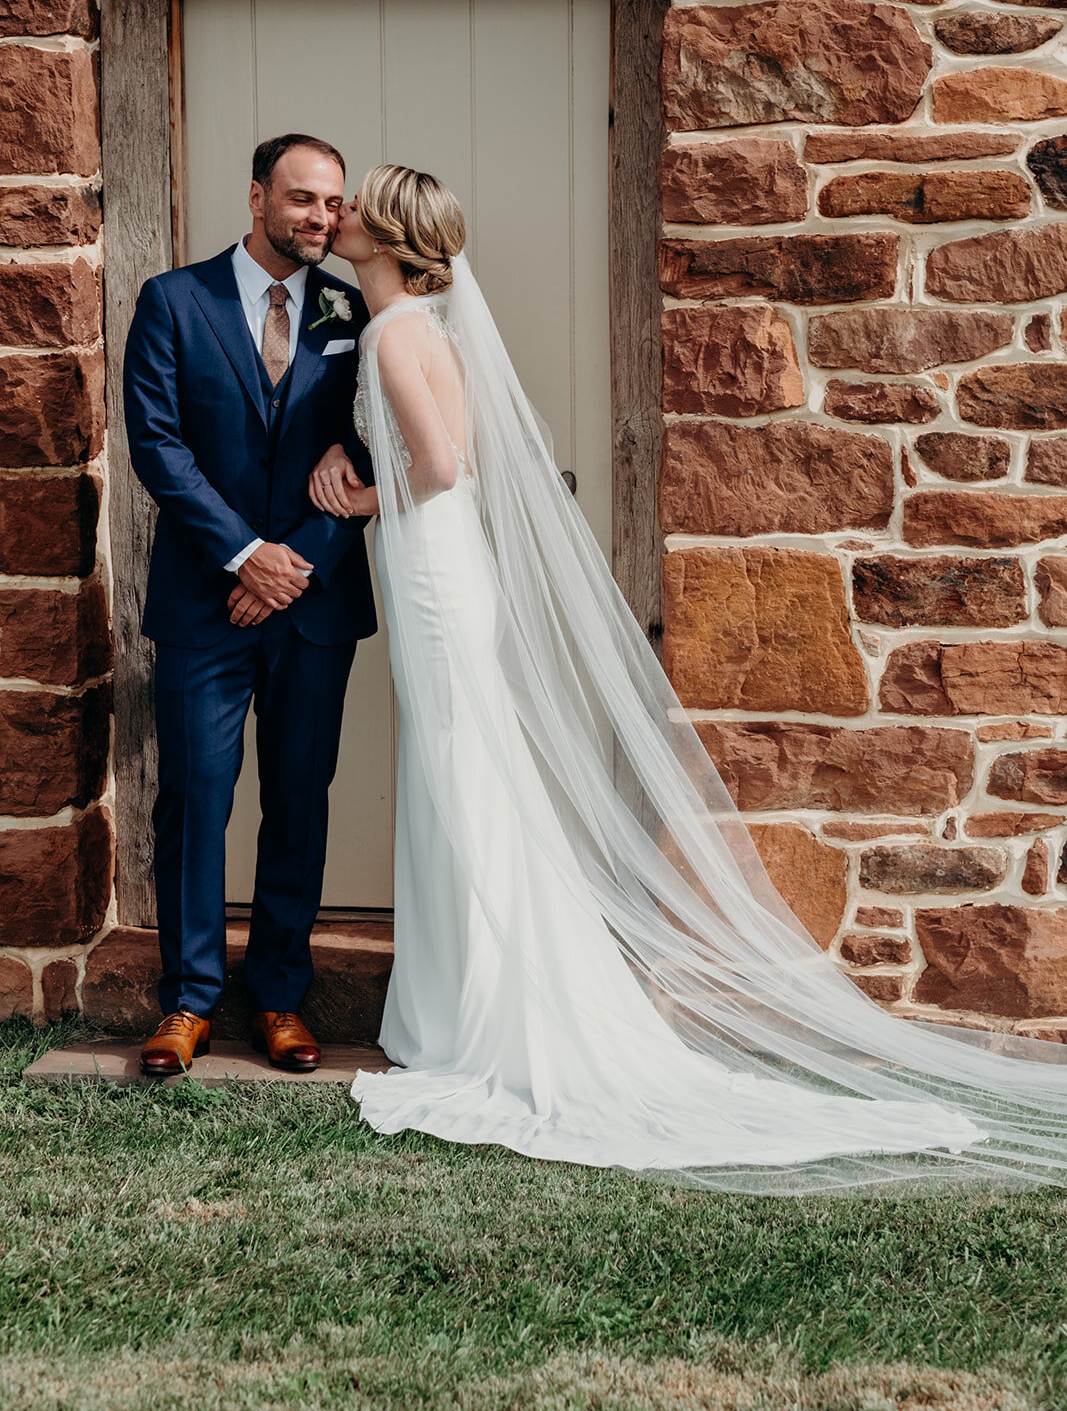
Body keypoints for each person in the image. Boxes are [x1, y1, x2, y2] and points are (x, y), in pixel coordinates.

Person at [310, 164, 1067, 1194]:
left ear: (391, 235)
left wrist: (358, 498)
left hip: (430, 561)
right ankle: (455, 1000)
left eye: (356, 205)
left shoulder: (397, 332)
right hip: (441, 563)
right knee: (464, 767)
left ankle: (477, 1012)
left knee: (458, 767)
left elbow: (445, 465)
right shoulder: (426, 326)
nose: (339, 214)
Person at [124, 134, 376, 1077]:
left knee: (298, 800)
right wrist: (244, 555)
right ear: (257, 198)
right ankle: (187, 1001)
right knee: (194, 799)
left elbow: (372, 447)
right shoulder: (173, 301)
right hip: (206, 601)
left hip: (313, 603)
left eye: (332, 204)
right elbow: (157, 447)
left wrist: (294, 566)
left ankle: (278, 996)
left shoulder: (355, 309)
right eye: (302, 198)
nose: (319, 217)